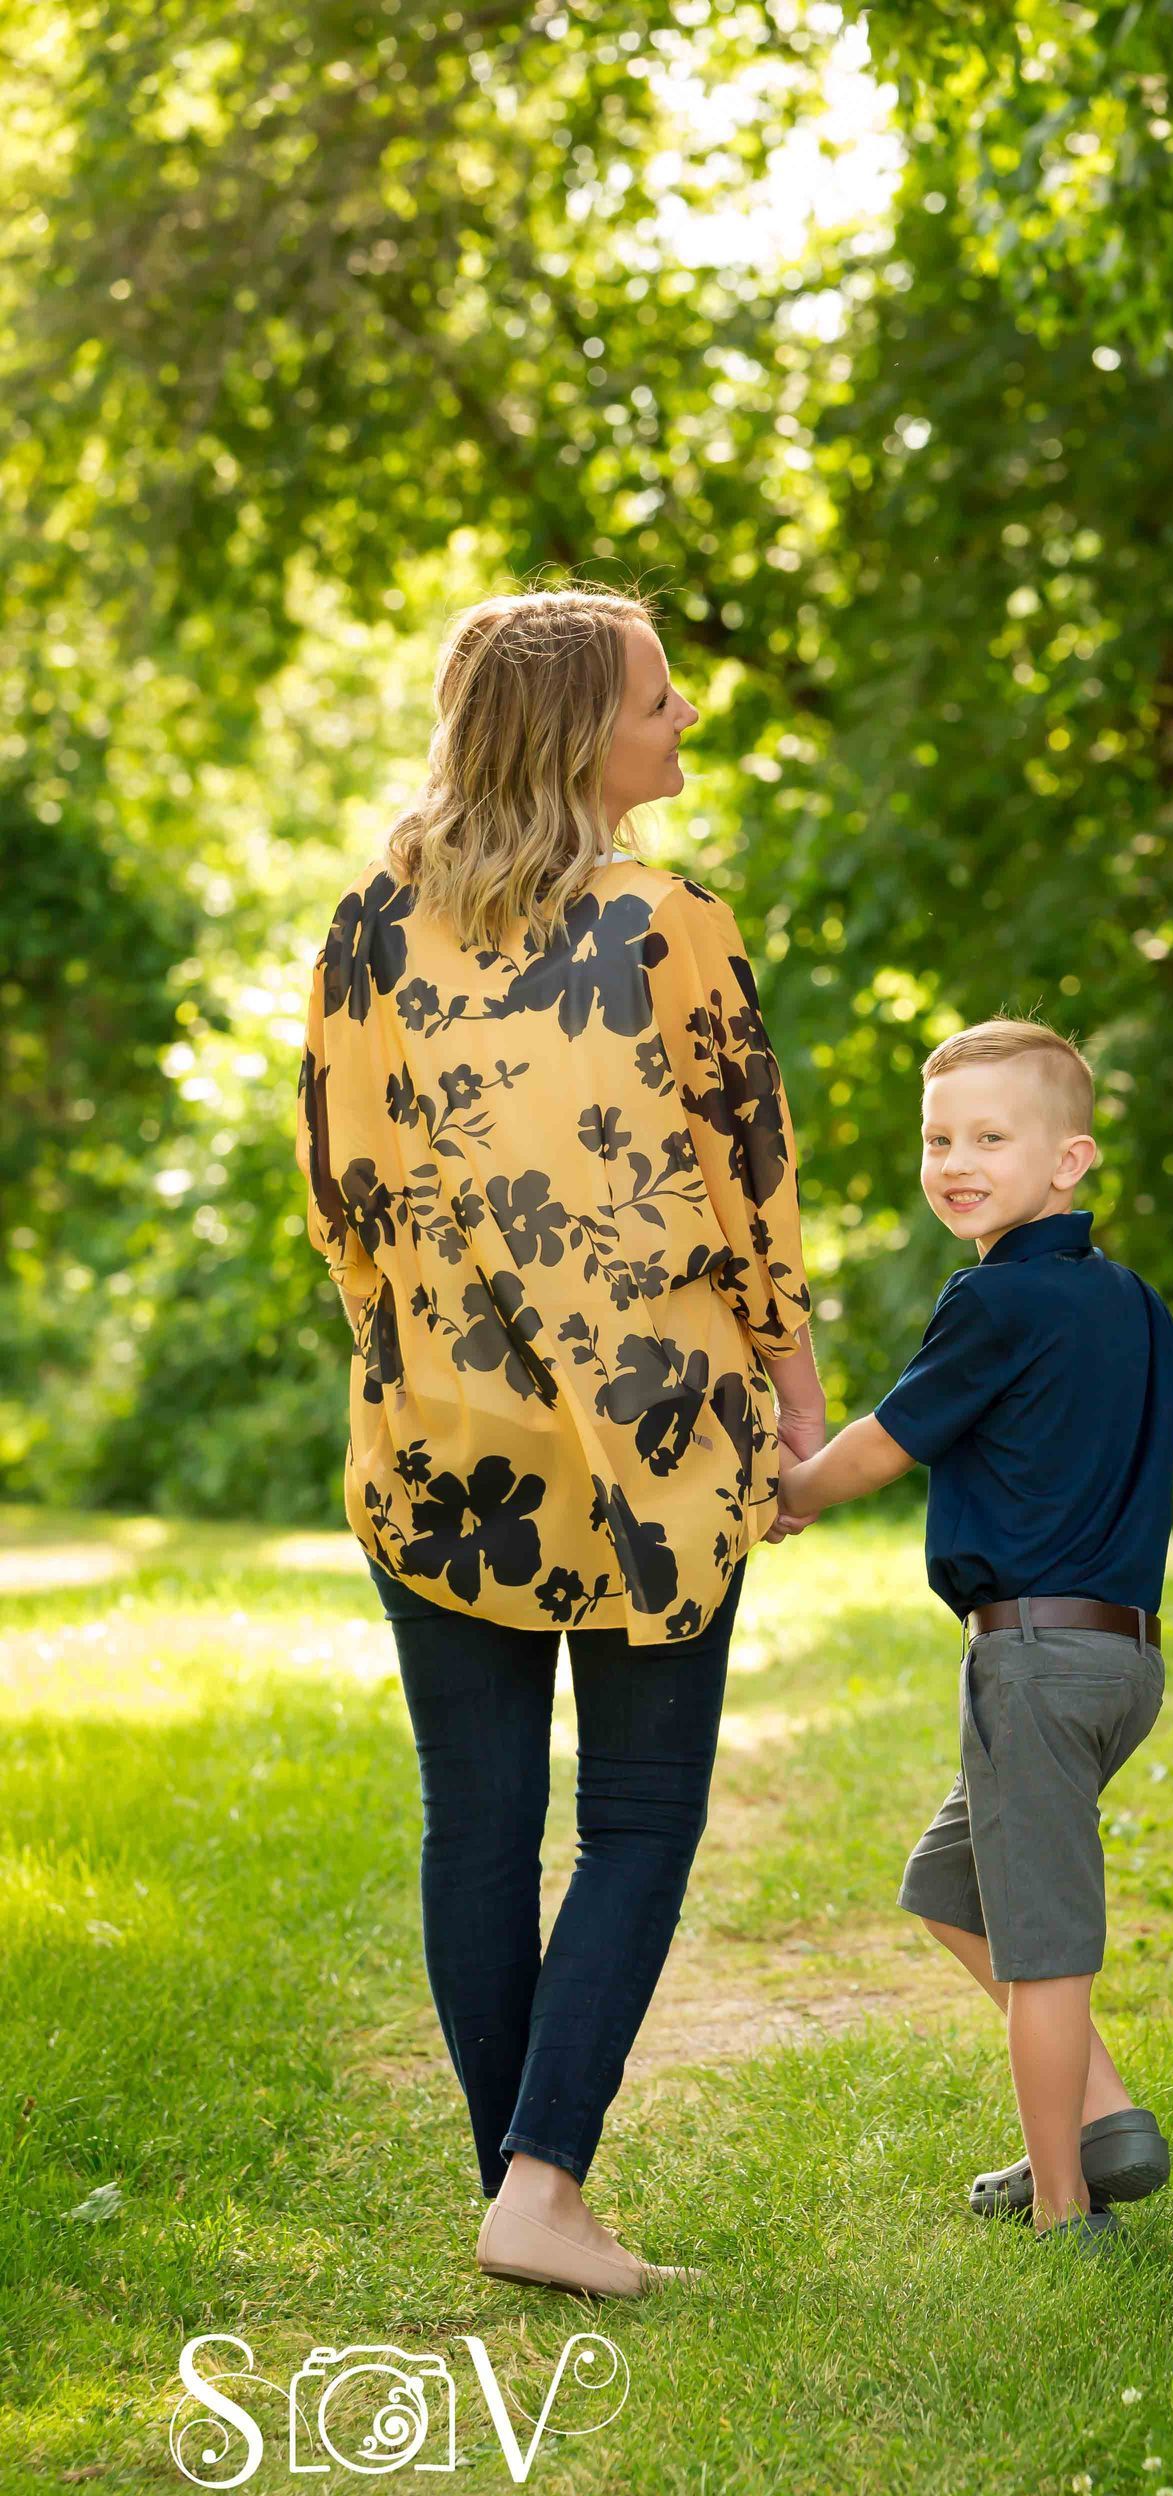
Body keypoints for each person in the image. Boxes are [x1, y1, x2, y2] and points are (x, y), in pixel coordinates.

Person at [295, 583, 826, 2296]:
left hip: (436, 1431)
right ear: (579, 730)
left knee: (478, 1819)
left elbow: (339, 1190)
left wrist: (418, 1337)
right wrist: (794, 1398)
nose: (682, 723)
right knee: (643, 1812)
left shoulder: (371, 923)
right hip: (653, 1440)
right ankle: (540, 2182)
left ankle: (522, 2187)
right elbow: (753, 1192)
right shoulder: (673, 925)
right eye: (658, 698)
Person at [776, 1021, 1173, 2243]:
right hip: (1120, 1665)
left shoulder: (993, 1301)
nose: (957, 1160)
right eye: (940, 1138)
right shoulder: (1128, 1305)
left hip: (1031, 1662)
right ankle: (1104, 2117)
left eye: (992, 1136)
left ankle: (1060, 2207)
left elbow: (888, 1436)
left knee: (1043, 1950)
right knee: (949, 1885)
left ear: (1070, 1159)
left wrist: (792, 1493)